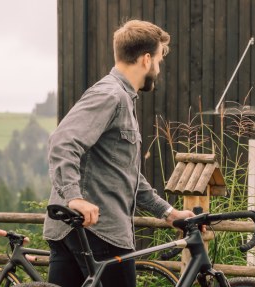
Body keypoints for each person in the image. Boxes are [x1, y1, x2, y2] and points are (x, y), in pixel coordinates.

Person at [43, 20, 194, 287]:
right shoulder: (110, 95)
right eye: (159, 60)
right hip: (99, 233)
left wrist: (168, 212)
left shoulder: (122, 99)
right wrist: (74, 198)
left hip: (78, 231)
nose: (158, 69)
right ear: (146, 59)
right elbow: (62, 141)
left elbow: (124, 175)